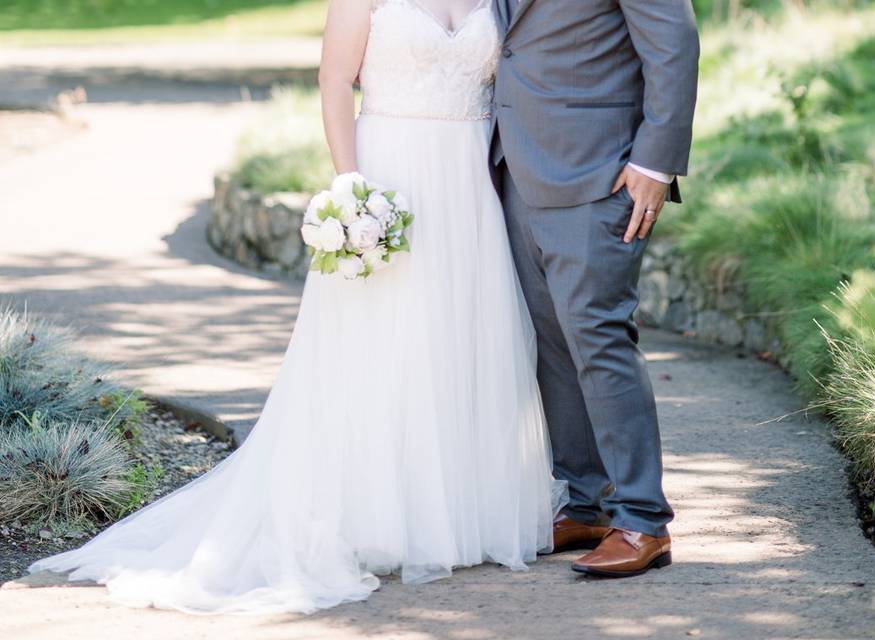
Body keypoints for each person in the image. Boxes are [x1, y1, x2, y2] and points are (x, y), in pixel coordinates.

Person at [28, 0, 557, 614]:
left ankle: (460, 512)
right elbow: (334, 80)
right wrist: (351, 187)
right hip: (390, 175)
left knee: (460, 340)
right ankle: (378, 516)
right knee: (379, 343)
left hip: (470, 183)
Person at [491, 0, 699, 577]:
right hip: (515, 165)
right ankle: (585, 502)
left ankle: (641, 519)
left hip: (600, 169)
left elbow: (674, 42)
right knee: (552, 342)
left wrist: (656, 163)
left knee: (598, 334)